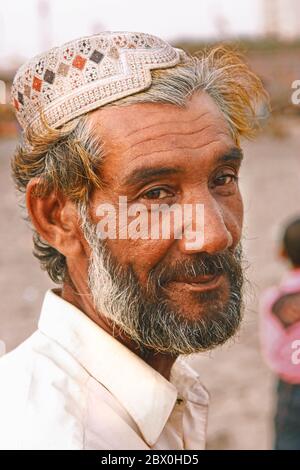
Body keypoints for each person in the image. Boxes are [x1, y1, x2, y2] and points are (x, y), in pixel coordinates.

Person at [0, 31, 267, 450]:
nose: (216, 235)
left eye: (223, 179)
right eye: (157, 193)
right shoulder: (44, 434)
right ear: (57, 218)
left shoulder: (160, 394)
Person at [260, 218, 300, 450]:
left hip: (291, 388)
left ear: (282, 253)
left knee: (288, 441)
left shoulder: (273, 299)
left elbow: (272, 352)